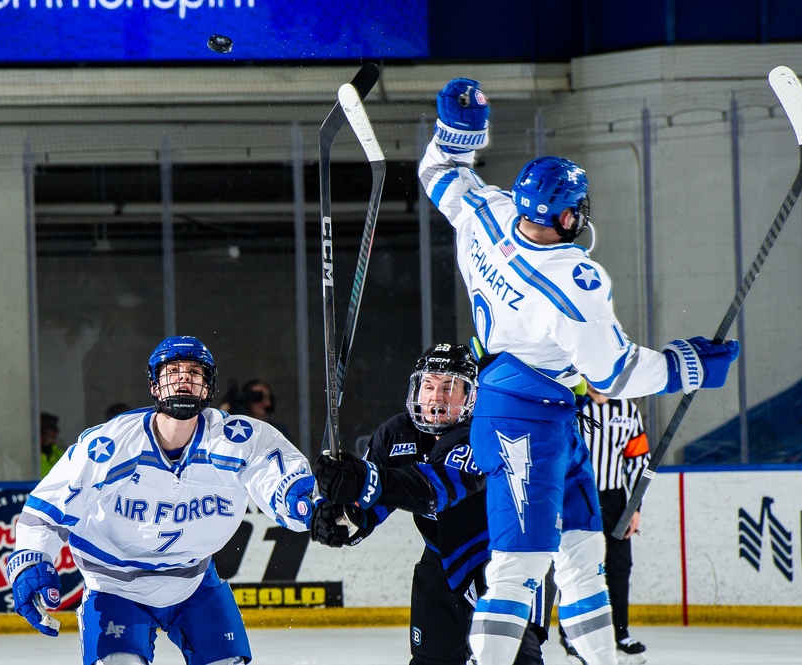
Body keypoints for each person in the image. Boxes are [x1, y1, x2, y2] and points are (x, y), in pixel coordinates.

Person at [418, 77, 741, 665]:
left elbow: (438, 171)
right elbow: (615, 376)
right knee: (517, 571)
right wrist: (686, 366)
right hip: (522, 425)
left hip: (548, 416)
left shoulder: (486, 218)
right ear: (569, 216)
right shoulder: (573, 282)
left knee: (582, 558)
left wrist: (457, 131)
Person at [6, 335, 316, 665]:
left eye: (195, 372)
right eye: (174, 371)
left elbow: (273, 472)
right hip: (114, 587)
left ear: (208, 387)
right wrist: (32, 559)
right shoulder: (109, 445)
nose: (185, 377)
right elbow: (47, 508)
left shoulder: (234, 438)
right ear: (155, 386)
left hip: (194, 585)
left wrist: (305, 505)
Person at [311, 343, 552, 665]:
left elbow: (435, 490)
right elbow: (370, 505)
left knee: (512, 660)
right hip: (440, 559)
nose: (436, 398)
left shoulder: (485, 431)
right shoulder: (395, 433)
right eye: (429, 385)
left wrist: (365, 478)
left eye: (450, 387)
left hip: (507, 558)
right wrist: (343, 516)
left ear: (471, 396)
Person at [559, 384, 651, 664]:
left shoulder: (627, 410)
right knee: (575, 567)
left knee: (619, 566)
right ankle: (573, 635)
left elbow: (638, 460)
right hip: (576, 494)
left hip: (614, 501)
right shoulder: (573, 405)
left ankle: (619, 633)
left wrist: (635, 506)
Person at [219, 379, 293, 442]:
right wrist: (226, 406)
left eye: (267, 397)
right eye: (257, 397)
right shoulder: (236, 427)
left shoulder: (278, 430)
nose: (263, 402)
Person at [39, 412, 64, 477]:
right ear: (42, 431)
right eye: (53, 429)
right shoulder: (30, 455)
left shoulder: (61, 454)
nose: (56, 432)